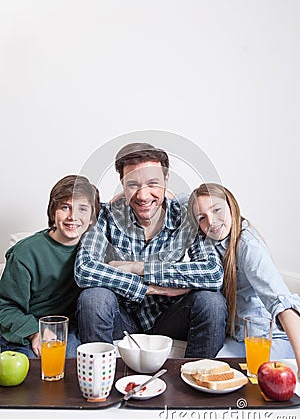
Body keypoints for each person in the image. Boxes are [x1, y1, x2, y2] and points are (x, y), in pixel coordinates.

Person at [75, 143, 227, 358]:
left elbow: (212, 273)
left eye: (153, 183)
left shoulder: (187, 215)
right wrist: (149, 288)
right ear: (122, 184)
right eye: (133, 184)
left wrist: (139, 268)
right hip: (122, 317)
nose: (143, 195)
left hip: (171, 317)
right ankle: (101, 384)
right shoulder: (106, 215)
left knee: (211, 302)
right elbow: (84, 269)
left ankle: (196, 380)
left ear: (166, 180)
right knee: (93, 298)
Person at [188, 182, 300, 378]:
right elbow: (177, 198)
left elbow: (281, 303)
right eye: (202, 218)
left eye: (217, 210)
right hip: (238, 336)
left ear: (231, 206)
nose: (211, 221)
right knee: (209, 372)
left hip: (269, 338)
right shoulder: (215, 241)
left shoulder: (248, 246)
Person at [0, 175, 100, 358]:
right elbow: (5, 307)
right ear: (53, 212)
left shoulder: (94, 250)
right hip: (28, 327)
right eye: (65, 207)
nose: (73, 217)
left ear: (92, 217)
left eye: (82, 209)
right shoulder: (26, 253)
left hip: (68, 328)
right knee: (32, 369)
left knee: (68, 365)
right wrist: (35, 332)